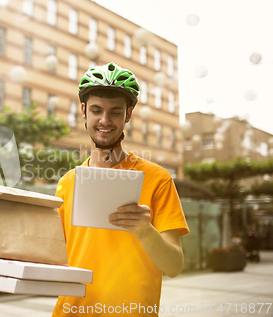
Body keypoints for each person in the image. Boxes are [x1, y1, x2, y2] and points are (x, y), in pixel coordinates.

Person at [52, 62, 189, 316]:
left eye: (115, 111)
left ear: (128, 115)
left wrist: (145, 232)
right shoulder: (67, 183)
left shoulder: (158, 179)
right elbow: (53, 257)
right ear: (84, 111)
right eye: (96, 110)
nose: (105, 120)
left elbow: (174, 266)